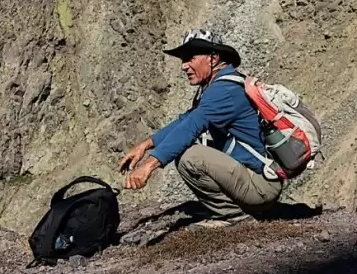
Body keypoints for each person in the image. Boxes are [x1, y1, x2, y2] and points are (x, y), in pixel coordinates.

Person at [118, 28, 281, 223]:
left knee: (190, 157)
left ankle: (234, 216)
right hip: (257, 179)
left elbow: (190, 127)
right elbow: (186, 120)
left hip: (261, 185)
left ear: (213, 58)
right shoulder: (219, 86)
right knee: (189, 152)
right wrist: (144, 145)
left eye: (190, 58)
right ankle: (240, 208)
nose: (183, 66)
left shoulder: (224, 91)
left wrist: (148, 166)